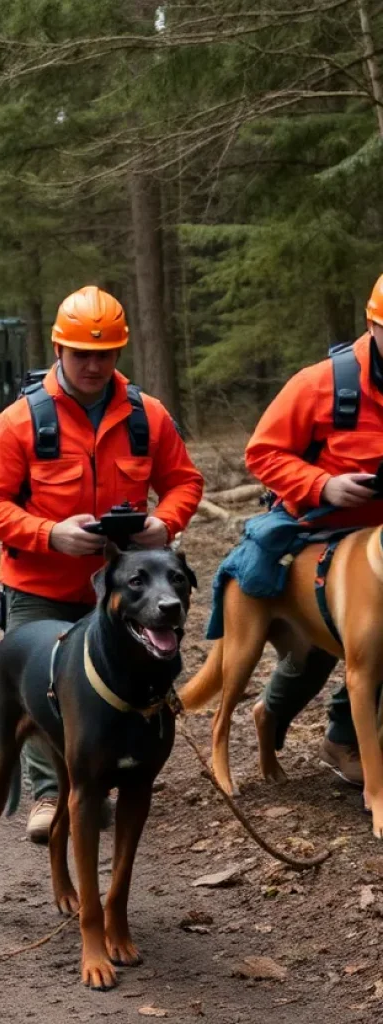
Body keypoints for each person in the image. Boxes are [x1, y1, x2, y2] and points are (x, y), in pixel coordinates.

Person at [0, 285, 204, 843]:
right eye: (82, 354)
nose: (95, 364)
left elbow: (184, 482)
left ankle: (112, 773)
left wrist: (163, 524)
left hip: (128, 594)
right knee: (44, 694)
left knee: (127, 685)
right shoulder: (21, 421)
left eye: (106, 354)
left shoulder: (148, 416)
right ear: (58, 349)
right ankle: (52, 794)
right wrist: (50, 534)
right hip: (41, 588)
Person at [246, 274, 383, 788]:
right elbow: (261, 453)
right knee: (317, 649)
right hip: (321, 537)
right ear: (372, 325)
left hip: (381, 546)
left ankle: (345, 737)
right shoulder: (319, 383)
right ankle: (273, 715)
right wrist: (324, 486)